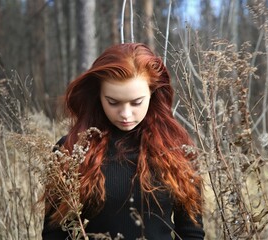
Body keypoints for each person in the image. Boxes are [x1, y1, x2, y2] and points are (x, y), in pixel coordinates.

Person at [41, 43, 205, 239]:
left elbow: (191, 232)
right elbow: (55, 232)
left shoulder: (178, 150)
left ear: (153, 93)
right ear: (98, 95)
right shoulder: (71, 149)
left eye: (136, 102)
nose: (125, 114)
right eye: (113, 102)